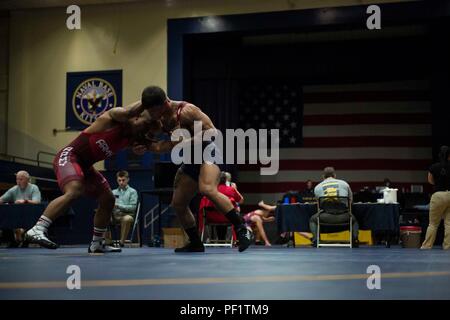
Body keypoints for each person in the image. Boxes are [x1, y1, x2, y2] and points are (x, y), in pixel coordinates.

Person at [25, 98, 157, 253]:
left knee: (108, 199)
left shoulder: (130, 139)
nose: (145, 131)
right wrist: (149, 99)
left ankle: (97, 243)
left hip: (85, 165)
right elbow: (128, 111)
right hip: (70, 156)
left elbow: (156, 144)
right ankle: (38, 228)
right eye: (146, 125)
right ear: (137, 116)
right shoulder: (113, 117)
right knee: (74, 190)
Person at [137, 86, 254, 252]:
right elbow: (165, 146)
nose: (154, 115)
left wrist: (187, 142)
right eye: (150, 111)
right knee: (178, 203)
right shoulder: (157, 118)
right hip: (190, 159)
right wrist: (146, 147)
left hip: (208, 151)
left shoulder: (187, 111)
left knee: (206, 189)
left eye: (155, 110)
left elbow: (213, 132)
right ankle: (195, 242)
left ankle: (243, 229)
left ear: (165, 103)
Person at [309, 167, 359, 247]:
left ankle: (315, 240)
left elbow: (318, 204)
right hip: (344, 216)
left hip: (326, 217)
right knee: (354, 220)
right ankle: (355, 240)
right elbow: (350, 201)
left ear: (323, 176)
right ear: (334, 175)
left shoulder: (317, 187)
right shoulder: (344, 184)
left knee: (312, 220)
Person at [0, 170, 41, 246]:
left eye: (21, 179)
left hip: (30, 214)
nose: (18, 181)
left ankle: (21, 233)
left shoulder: (34, 188)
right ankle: (17, 235)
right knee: (6, 212)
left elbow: (37, 202)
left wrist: (25, 201)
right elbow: (2, 199)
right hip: (16, 215)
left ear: (27, 180)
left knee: (29, 213)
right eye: (17, 179)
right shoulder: (14, 189)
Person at [421, 146, 450, 250]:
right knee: (449, 223)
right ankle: (448, 246)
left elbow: (430, 181)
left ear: (440, 155)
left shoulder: (433, 167)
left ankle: (427, 246)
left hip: (438, 195)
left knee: (433, 224)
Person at [107, 170, 138, 247]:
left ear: (128, 180)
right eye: (119, 180)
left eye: (123, 180)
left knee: (127, 219)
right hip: (115, 216)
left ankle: (121, 242)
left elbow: (133, 208)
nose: (121, 182)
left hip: (127, 215)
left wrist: (118, 206)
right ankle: (108, 241)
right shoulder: (113, 192)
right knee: (103, 217)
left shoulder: (132, 192)